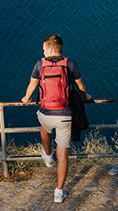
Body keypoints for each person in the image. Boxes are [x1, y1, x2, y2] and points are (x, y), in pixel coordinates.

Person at [22, 34, 91, 204]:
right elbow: (80, 86)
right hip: (65, 116)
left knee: (44, 126)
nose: (43, 51)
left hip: (46, 113)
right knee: (64, 154)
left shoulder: (40, 64)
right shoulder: (70, 64)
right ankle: (59, 192)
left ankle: (47, 155)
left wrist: (26, 98)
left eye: (44, 49)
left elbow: (32, 84)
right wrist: (86, 96)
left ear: (51, 49)